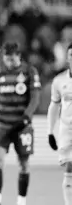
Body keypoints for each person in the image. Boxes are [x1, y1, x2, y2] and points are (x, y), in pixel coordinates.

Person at [0, 42, 41, 205]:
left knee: (24, 164)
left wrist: (26, 117)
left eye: (11, 60)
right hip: (2, 124)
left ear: (18, 57)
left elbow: (35, 98)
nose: (8, 63)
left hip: (22, 126)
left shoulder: (29, 71)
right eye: (6, 59)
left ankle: (21, 201)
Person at [47, 43, 72, 205]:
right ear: (68, 58)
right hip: (67, 130)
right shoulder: (59, 81)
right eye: (71, 55)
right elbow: (54, 106)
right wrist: (50, 131)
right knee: (69, 167)